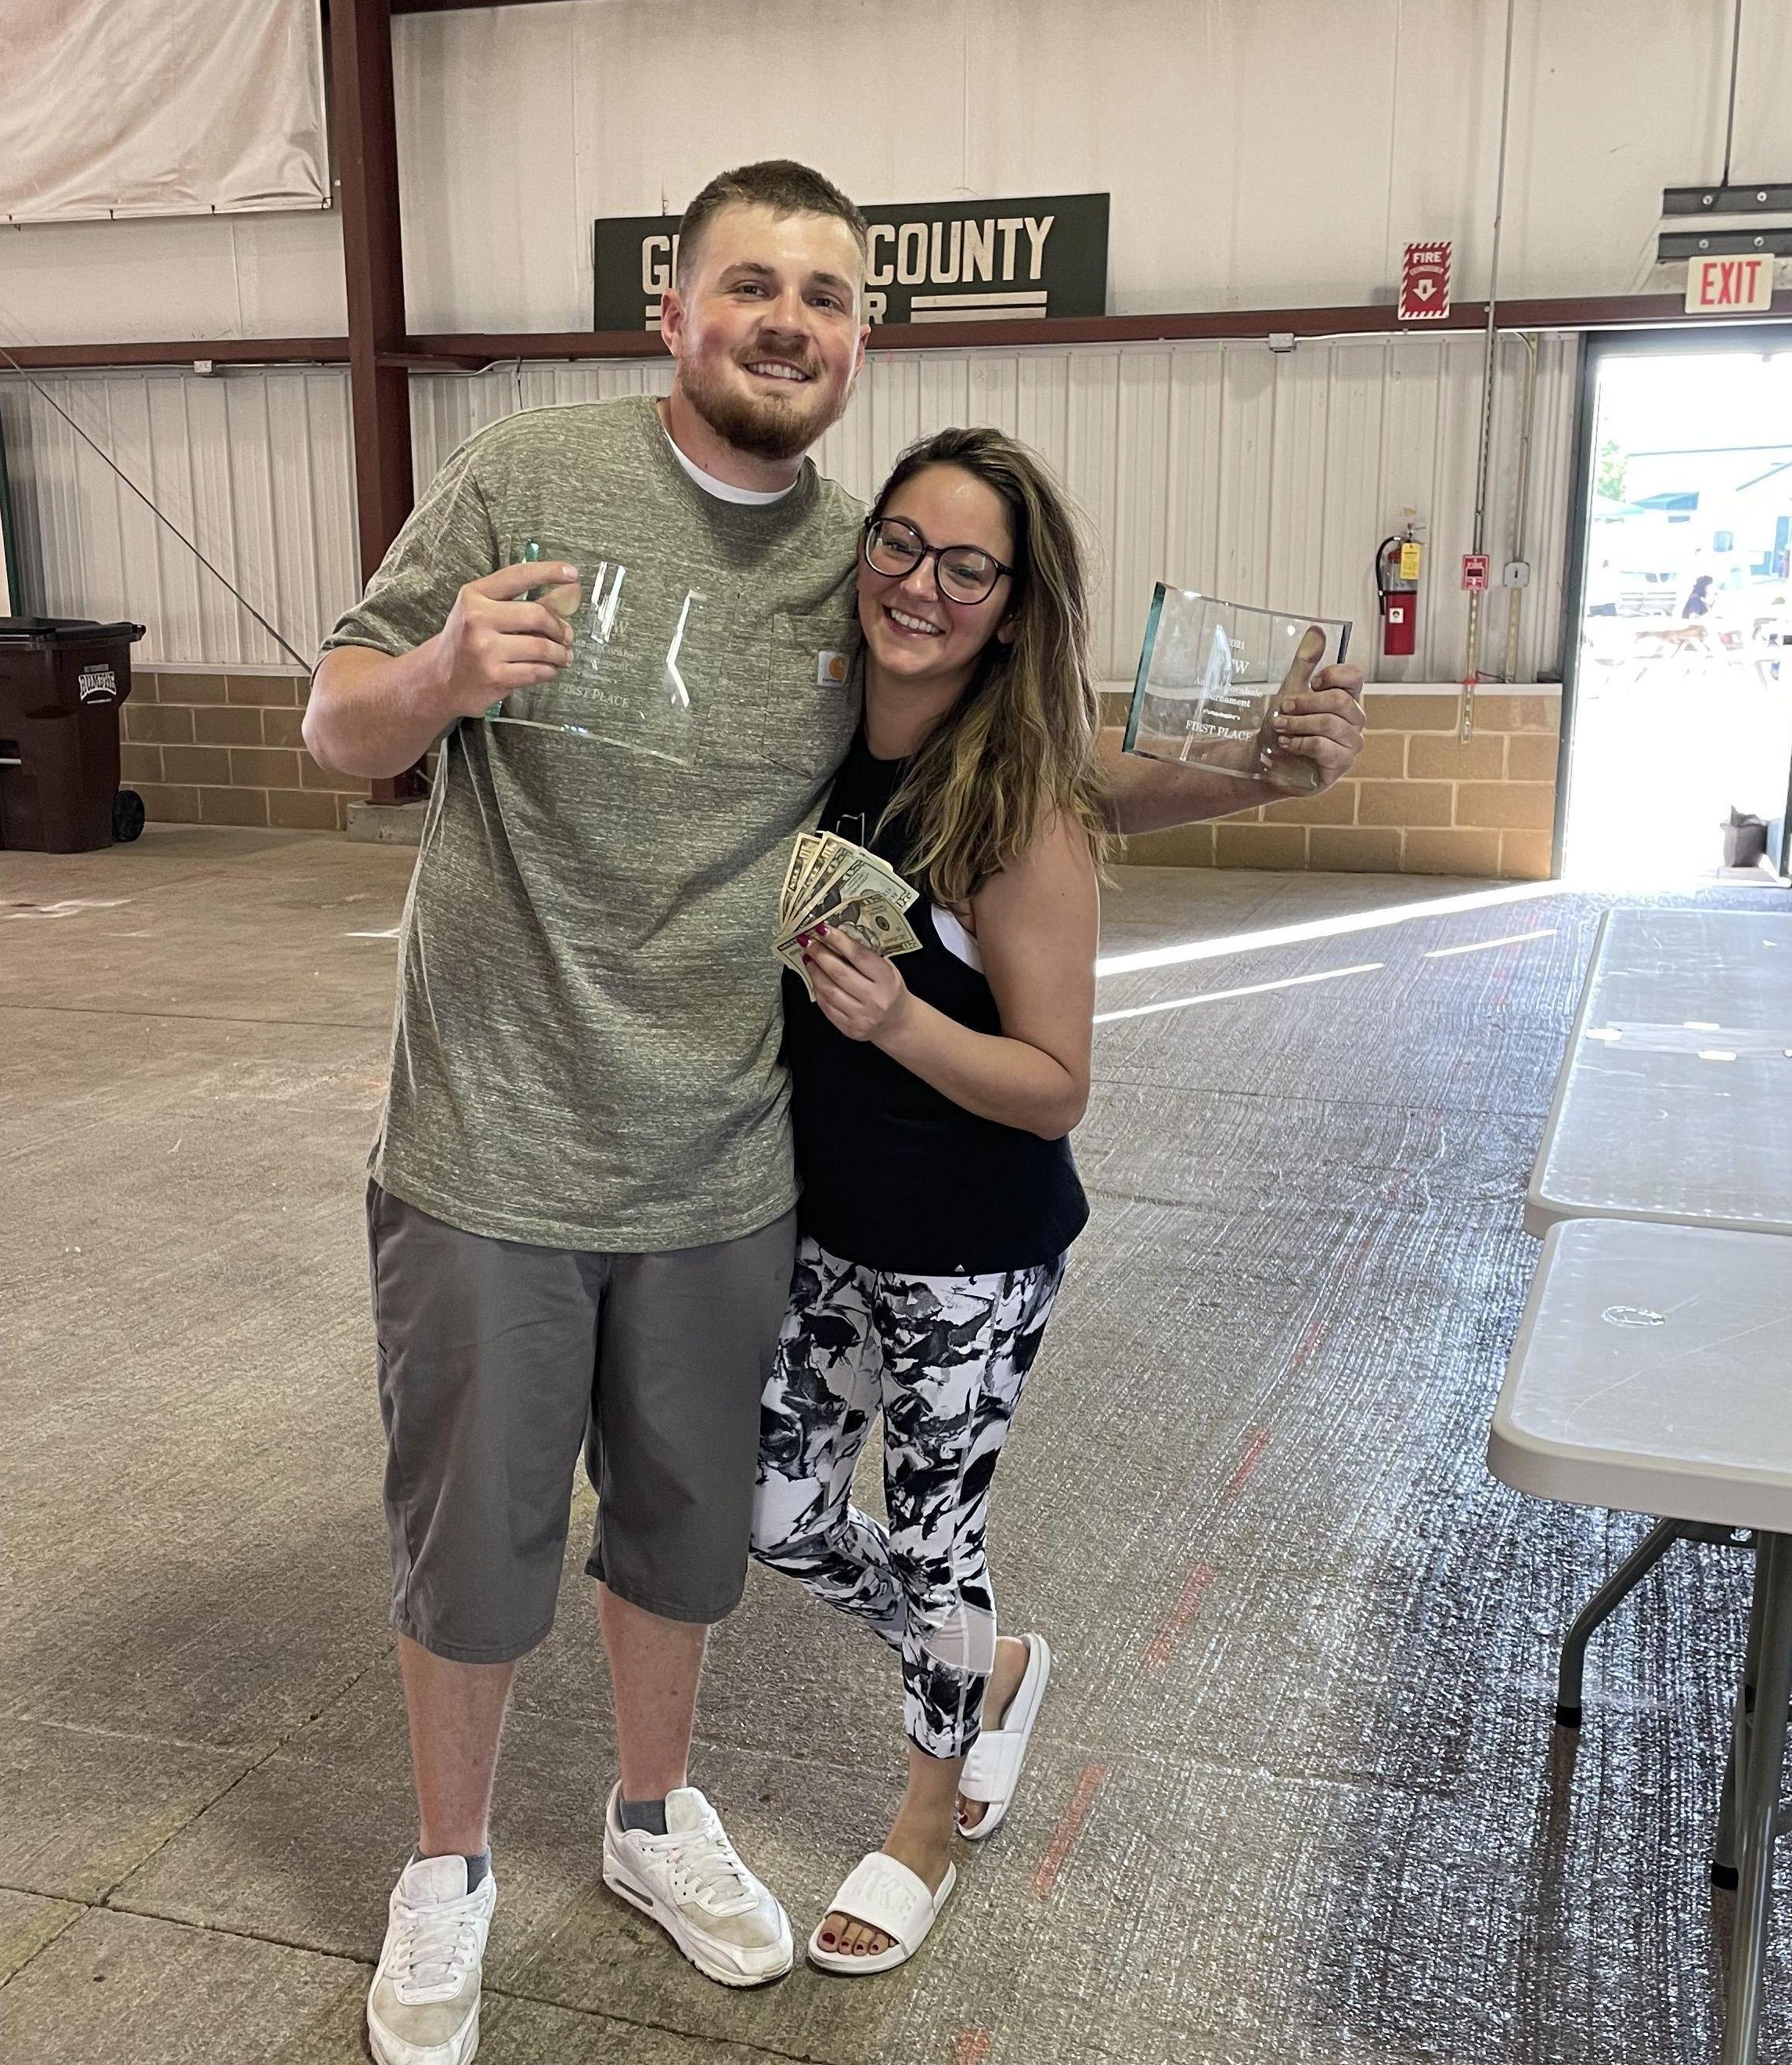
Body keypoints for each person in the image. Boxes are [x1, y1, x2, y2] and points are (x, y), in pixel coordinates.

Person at [304, 158, 1365, 2065]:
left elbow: (1050, 774)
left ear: (859, 339)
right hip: (493, 1138)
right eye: (750, 285)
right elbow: (334, 720)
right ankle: (445, 1871)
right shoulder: (523, 480)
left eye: (826, 295)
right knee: (471, 1545)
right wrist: (445, 670)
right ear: (673, 309)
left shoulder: (854, 556)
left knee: (690, 1534)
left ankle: (650, 1820)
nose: (787, 320)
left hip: (726, 1161)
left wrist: (1248, 781)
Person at [749, 427, 1101, 1973]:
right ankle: (991, 1665)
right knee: (773, 1518)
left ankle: (917, 1823)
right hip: (819, 1229)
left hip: (968, 1251)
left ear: (1010, 606)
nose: (922, 583)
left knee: (933, 1534)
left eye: (969, 565)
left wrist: (897, 1021)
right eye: (900, 541)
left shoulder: (1011, 808)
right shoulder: (807, 747)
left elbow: (1054, 1081)